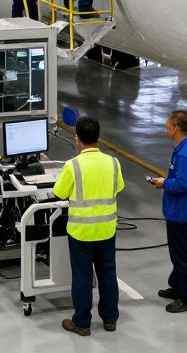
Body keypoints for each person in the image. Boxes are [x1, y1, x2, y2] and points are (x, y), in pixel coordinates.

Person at [53, 115, 124, 336]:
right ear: (98, 138)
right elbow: (118, 187)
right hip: (106, 229)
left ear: (77, 139)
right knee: (108, 274)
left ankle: (82, 323)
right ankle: (110, 319)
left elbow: (59, 193)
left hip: (81, 232)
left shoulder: (72, 166)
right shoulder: (113, 162)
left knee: (82, 276)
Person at [151, 110, 187, 313]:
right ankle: (178, 286)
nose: (166, 128)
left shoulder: (184, 154)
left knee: (183, 255)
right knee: (178, 252)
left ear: (175, 127)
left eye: (168, 125)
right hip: (186, 209)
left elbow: (183, 183)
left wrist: (163, 182)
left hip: (181, 212)